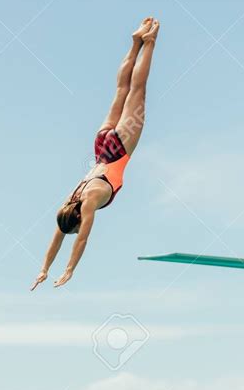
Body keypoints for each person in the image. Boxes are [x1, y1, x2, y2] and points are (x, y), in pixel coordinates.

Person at [31, 17, 160, 290]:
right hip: (101, 144)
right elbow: (59, 235)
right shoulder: (71, 200)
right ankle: (136, 41)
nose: (78, 229)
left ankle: (148, 42)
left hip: (119, 148)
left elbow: (81, 240)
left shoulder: (87, 202)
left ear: (77, 218)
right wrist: (44, 268)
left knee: (137, 90)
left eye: (77, 226)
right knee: (121, 90)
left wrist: (69, 270)